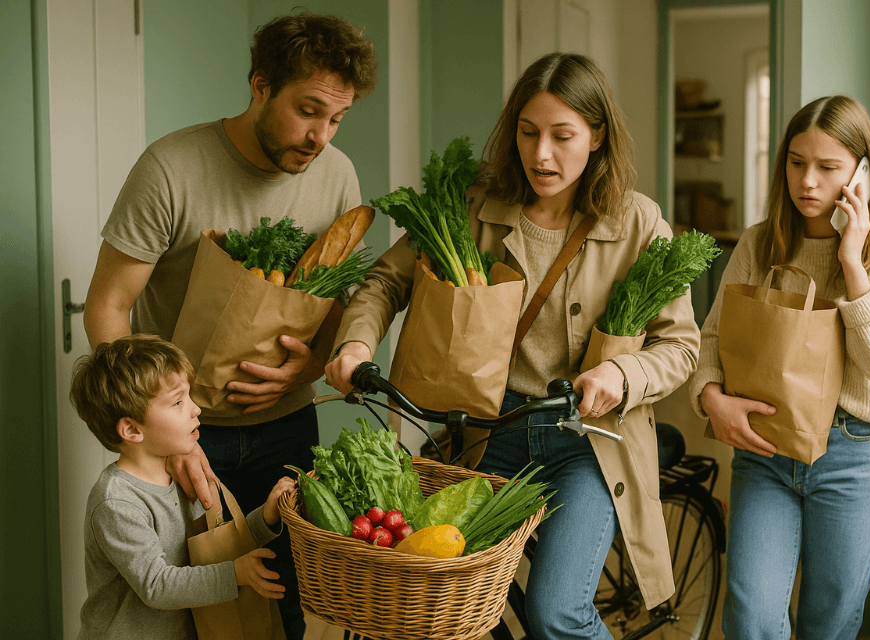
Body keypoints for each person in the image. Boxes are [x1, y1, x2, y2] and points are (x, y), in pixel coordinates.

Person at [326, 52, 699, 640]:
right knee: (441, 595)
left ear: (597, 136)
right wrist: (354, 345)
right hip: (489, 435)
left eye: (562, 135)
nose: (541, 154)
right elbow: (386, 281)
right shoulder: (475, 206)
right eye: (528, 133)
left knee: (556, 613)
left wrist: (622, 376)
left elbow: (679, 347)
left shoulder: (638, 223)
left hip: (587, 444)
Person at [82, 12, 377, 638]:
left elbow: (340, 300)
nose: (321, 135)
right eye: (308, 110)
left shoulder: (337, 175)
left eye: (337, 119)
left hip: (288, 425)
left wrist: (311, 359)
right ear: (260, 85)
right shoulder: (171, 167)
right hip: (185, 436)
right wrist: (175, 445)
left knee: (287, 599)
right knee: (193, 611)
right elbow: (108, 306)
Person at [688, 95, 870, 639]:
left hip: (854, 456)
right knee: (750, 618)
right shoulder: (760, 242)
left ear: (862, 172)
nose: (808, 181)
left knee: (830, 623)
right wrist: (711, 398)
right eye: (796, 163)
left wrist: (851, 260)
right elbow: (712, 340)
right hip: (766, 451)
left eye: (827, 167)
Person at [70, 334, 296, 640]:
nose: (195, 409)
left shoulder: (180, 478)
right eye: (178, 401)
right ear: (132, 429)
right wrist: (235, 574)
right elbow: (158, 586)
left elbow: (214, 548)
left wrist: (266, 518)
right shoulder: (117, 502)